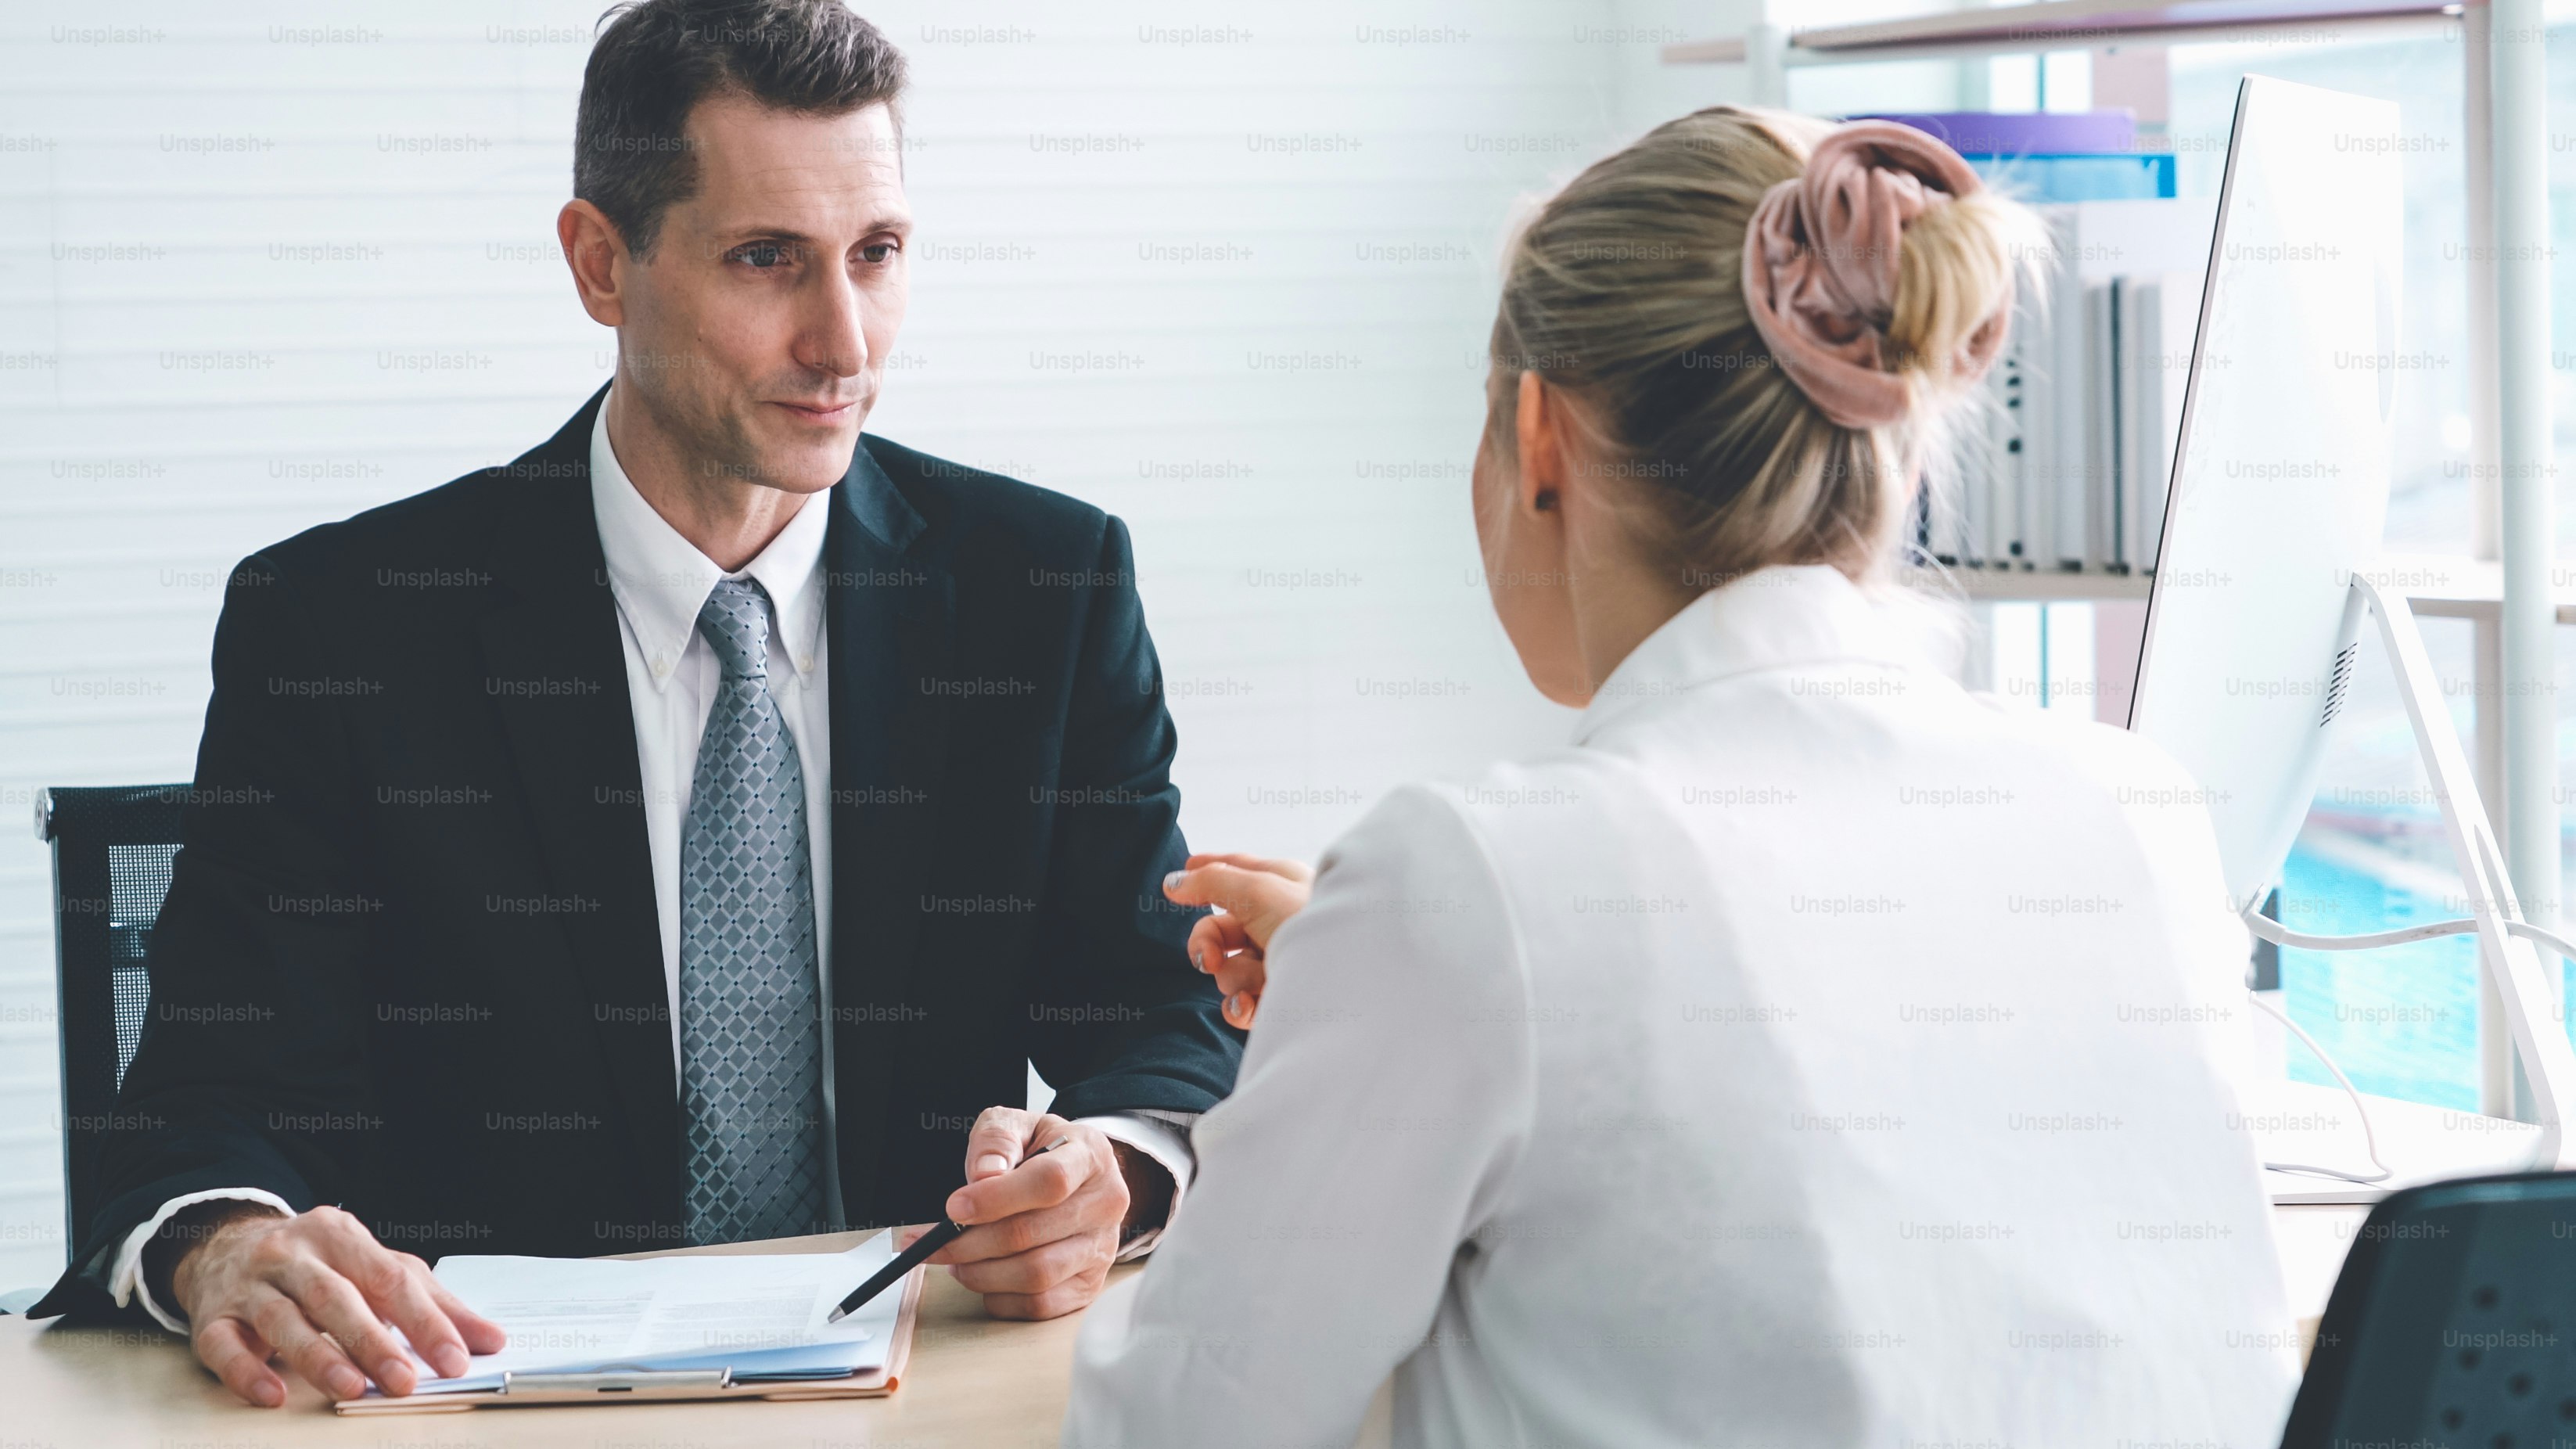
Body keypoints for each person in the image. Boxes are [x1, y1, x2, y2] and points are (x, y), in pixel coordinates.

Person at [28, 0, 1241, 1409]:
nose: (843, 342)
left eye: (878, 255)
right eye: (765, 261)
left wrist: (1120, 1173)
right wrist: (230, 1245)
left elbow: (1159, 1008)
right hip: (480, 1410)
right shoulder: (343, 624)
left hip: (922, 1398)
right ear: (602, 263)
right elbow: (200, 1103)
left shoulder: (1042, 588)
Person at [1065, 110, 2298, 1447]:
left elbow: (1179, 1427)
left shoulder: (1471, 883)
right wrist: (1369, 992)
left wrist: (1385, 988)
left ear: (1538, 436)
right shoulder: (2133, 811)